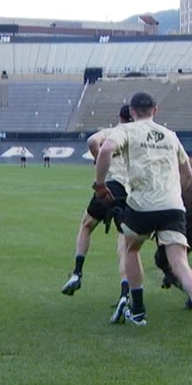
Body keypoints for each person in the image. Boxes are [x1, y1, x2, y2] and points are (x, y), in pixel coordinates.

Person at [95, 92, 192, 354]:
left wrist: (100, 184)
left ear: (131, 111)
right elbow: (188, 173)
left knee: (131, 247)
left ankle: (138, 311)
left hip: (142, 204)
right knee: (181, 263)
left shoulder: (127, 129)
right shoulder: (170, 135)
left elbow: (105, 149)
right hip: (173, 205)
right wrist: (176, 194)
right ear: (156, 109)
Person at [62, 105, 133, 318]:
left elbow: (93, 141)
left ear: (119, 117)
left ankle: (77, 272)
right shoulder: (140, 135)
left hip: (111, 186)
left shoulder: (114, 132)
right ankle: (124, 294)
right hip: (133, 192)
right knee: (125, 245)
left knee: (86, 225)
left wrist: (98, 159)